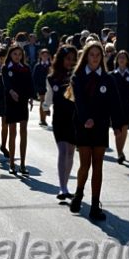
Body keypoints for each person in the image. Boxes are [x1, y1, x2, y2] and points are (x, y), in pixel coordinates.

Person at [68, 42, 123, 220]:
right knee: (85, 163)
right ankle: (78, 194)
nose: (95, 58)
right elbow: (79, 102)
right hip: (83, 125)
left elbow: (115, 103)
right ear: (86, 56)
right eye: (92, 55)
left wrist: (116, 125)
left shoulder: (108, 79)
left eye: (98, 55)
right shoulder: (78, 76)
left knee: (98, 164)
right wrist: (86, 119)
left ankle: (94, 204)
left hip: (100, 125)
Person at [43, 45, 79, 200]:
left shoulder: (76, 76)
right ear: (61, 59)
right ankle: (62, 187)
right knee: (62, 151)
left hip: (74, 117)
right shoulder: (52, 78)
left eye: (72, 59)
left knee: (70, 152)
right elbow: (49, 96)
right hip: (59, 118)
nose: (70, 62)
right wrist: (45, 107)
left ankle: (66, 184)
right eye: (67, 58)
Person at [2, 44, 35, 175]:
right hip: (11, 102)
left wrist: (32, 96)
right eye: (15, 54)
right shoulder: (6, 68)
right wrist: (11, 91)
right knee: (12, 132)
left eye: (19, 54)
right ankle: (11, 164)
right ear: (10, 55)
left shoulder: (26, 68)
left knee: (23, 132)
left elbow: (30, 83)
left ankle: (22, 164)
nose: (17, 56)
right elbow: (6, 82)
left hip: (22, 102)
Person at [110, 50, 129, 164]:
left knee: (124, 128)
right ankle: (119, 153)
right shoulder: (112, 75)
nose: (122, 59)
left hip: (127, 106)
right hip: (114, 107)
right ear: (117, 60)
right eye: (120, 57)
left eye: (124, 57)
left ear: (127, 60)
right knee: (117, 129)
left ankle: (120, 152)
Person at [32, 48, 51, 127]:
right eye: (43, 55)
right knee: (42, 102)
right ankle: (42, 119)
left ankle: (45, 116)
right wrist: (35, 88)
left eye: (46, 55)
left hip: (49, 87)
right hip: (41, 86)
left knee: (46, 103)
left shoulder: (51, 65)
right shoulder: (37, 66)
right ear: (41, 56)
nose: (45, 57)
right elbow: (34, 77)